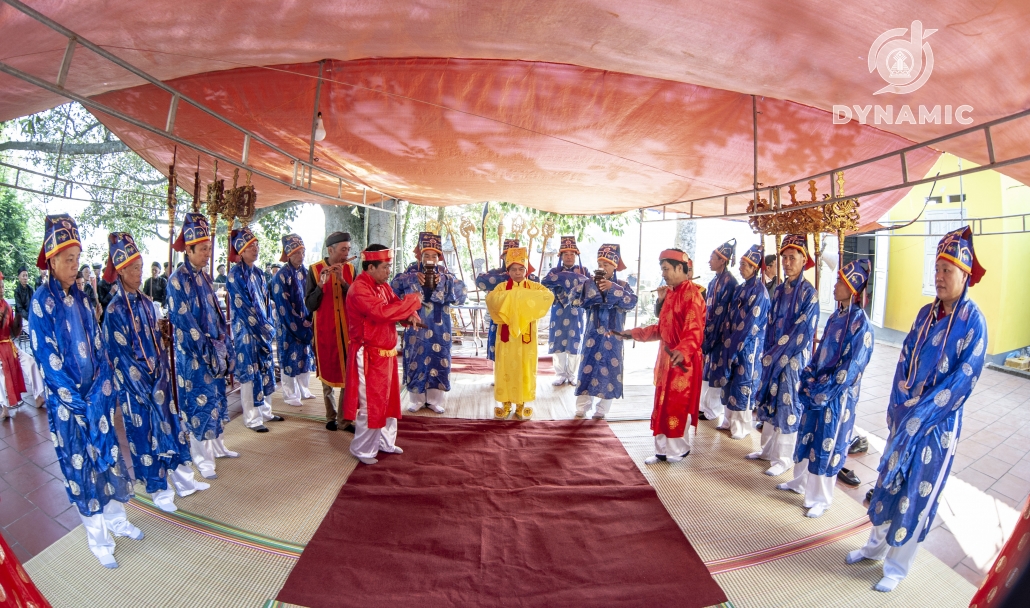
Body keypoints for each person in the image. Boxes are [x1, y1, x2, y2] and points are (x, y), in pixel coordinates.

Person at [847, 227, 988, 593]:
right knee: (887, 483)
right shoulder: (926, 313)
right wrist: (898, 408)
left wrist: (921, 415)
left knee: (916, 493)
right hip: (905, 417)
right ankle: (874, 548)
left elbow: (965, 379)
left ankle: (896, 566)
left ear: (965, 275)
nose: (939, 277)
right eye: (937, 269)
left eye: (947, 271)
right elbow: (904, 360)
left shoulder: (974, 321)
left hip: (935, 427)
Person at [29, 214, 141, 568]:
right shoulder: (39, 303)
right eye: (68, 259)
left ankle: (117, 520)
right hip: (70, 408)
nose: (75, 266)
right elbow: (48, 360)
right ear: (51, 261)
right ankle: (98, 538)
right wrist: (80, 403)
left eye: (77, 258)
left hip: (98, 397)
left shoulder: (82, 296)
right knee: (82, 468)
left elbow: (98, 346)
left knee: (108, 460)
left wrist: (102, 390)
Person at [101, 232, 209, 512]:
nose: (139, 273)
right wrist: (146, 386)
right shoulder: (113, 311)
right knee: (145, 437)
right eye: (134, 269)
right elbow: (120, 358)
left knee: (173, 429)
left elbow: (157, 345)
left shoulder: (148, 303)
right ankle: (159, 491)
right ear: (121, 271)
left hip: (158, 382)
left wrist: (161, 375)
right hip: (137, 390)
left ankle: (184, 482)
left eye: (140, 267)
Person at [777, 260, 874, 518]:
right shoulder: (836, 316)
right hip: (817, 389)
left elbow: (851, 368)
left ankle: (821, 498)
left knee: (827, 444)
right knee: (807, 435)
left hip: (835, 397)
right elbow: (819, 352)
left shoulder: (860, 324)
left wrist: (823, 390)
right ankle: (799, 482)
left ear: (853, 288)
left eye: (841, 282)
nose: (835, 285)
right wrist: (809, 376)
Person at [168, 212, 237, 479]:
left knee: (216, 401)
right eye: (204, 249)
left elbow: (217, 314)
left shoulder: (205, 277)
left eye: (209, 248)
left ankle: (217, 447)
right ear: (189, 248)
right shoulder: (177, 280)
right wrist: (209, 350)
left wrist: (223, 344)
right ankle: (201, 458)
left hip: (213, 354)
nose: (208, 254)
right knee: (198, 407)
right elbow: (185, 322)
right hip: (195, 357)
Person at [620, 249, 705, 463]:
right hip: (667, 358)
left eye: (666, 269)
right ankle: (661, 450)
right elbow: (661, 328)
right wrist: (634, 333)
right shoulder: (671, 293)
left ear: (680, 268)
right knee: (661, 403)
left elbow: (694, 332)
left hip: (681, 359)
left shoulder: (692, 295)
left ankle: (678, 449)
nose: (664, 274)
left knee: (676, 404)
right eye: (662, 269)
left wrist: (681, 352)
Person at [343, 245, 422, 464]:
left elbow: (395, 304)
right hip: (368, 355)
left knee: (388, 401)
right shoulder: (360, 289)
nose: (389, 271)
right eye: (385, 267)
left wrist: (410, 314)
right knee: (371, 403)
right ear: (370, 267)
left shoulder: (382, 286)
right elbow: (381, 312)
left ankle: (385, 442)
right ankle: (363, 449)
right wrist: (413, 301)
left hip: (385, 355)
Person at [748, 234, 820, 476]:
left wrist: (776, 354)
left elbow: (803, 330)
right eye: (784, 258)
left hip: (792, 359)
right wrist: (767, 352)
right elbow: (769, 323)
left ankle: (784, 458)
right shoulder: (778, 290)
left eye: (792, 258)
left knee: (788, 404)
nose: (787, 262)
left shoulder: (809, 293)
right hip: (772, 356)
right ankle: (767, 450)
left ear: (804, 260)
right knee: (769, 402)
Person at [391, 232, 468, 414]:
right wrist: (412, 279)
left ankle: (434, 400)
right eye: (427, 255)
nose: (430, 259)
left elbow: (462, 292)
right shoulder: (410, 271)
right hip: (416, 323)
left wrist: (445, 281)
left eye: (434, 255)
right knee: (415, 357)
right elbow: (393, 287)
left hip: (440, 324)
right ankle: (416, 399)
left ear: (439, 257)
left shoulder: (445, 273)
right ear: (420, 255)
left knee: (439, 357)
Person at [486, 247, 554, 420]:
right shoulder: (501, 287)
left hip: (526, 336)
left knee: (525, 367)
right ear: (508, 271)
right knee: (505, 367)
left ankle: (521, 403)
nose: (517, 272)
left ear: (526, 270)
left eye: (521, 269)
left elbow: (548, 296)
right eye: (513, 269)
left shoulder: (535, 287)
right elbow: (491, 300)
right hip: (507, 337)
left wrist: (517, 297)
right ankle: (506, 403)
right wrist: (517, 298)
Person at [227, 226, 283, 432]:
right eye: (252, 247)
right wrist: (264, 329)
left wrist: (268, 324)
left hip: (263, 331)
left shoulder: (259, 274)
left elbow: (266, 304)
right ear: (241, 251)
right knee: (249, 374)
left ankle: (266, 412)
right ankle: (251, 418)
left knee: (266, 370)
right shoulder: (234, 276)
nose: (256, 250)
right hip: (247, 333)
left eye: (257, 246)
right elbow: (243, 307)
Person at [572, 244, 637, 419]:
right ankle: (582, 406)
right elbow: (574, 300)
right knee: (587, 367)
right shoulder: (588, 283)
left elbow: (630, 302)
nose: (602, 267)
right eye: (600, 263)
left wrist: (612, 288)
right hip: (592, 335)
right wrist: (590, 289)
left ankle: (602, 409)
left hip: (613, 337)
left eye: (606, 264)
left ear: (614, 266)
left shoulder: (622, 285)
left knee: (610, 368)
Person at [305, 231, 357, 432]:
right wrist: (320, 285)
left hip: (346, 330)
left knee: (347, 374)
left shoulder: (351, 269)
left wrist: (343, 281)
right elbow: (310, 304)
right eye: (343, 249)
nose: (346, 253)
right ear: (330, 250)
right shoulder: (315, 269)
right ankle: (330, 416)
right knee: (326, 372)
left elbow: (356, 299)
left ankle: (345, 420)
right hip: (325, 330)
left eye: (348, 249)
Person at [720, 245, 770, 440]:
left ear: (755, 268)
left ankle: (741, 427)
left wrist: (735, 345)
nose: (740, 268)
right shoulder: (740, 288)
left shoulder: (760, 292)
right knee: (730, 383)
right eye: (740, 264)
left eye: (744, 265)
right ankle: (728, 421)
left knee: (744, 384)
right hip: (733, 342)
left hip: (749, 346)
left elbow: (751, 324)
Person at [271, 234, 316, 407]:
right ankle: (290, 395)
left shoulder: (306, 273)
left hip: (305, 322)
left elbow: (312, 297)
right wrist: (298, 323)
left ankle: (304, 389)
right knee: (289, 360)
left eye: (303, 252)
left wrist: (309, 319)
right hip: (287, 325)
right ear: (289, 254)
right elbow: (283, 305)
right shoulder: (281, 276)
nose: (301, 256)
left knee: (304, 357)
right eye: (297, 253)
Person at [700, 239, 738, 428]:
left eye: (712, 258)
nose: (709, 261)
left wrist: (713, 335)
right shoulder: (713, 281)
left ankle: (712, 410)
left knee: (716, 373)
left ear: (722, 260)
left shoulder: (730, 282)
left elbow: (724, 312)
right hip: (709, 333)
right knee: (707, 373)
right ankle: (704, 407)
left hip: (721, 336)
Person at [541, 236, 589, 386]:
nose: (569, 257)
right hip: (559, 311)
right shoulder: (554, 271)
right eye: (566, 254)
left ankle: (572, 374)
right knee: (558, 341)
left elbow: (589, 288)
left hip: (576, 312)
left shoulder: (584, 270)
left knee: (575, 342)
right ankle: (560, 374)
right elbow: (545, 284)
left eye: (572, 254)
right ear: (561, 256)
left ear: (575, 256)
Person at [475, 239, 533, 363]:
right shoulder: (495, 273)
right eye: (508, 254)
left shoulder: (529, 276)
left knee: (518, 348)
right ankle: (498, 376)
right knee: (498, 345)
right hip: (500, 318)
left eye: (515, 254)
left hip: (520, 318)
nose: (511, 258)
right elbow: (480, 281)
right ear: (503, 257)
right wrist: (509, 277)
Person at [0, 272, 27, 417]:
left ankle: (37, 396)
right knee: (1, 375)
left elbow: (11, 330)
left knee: (29, 362)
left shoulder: (7, 306)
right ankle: (4, 406)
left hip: (8, 345)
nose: (1, 289)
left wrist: (17, 324)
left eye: (3, 287)